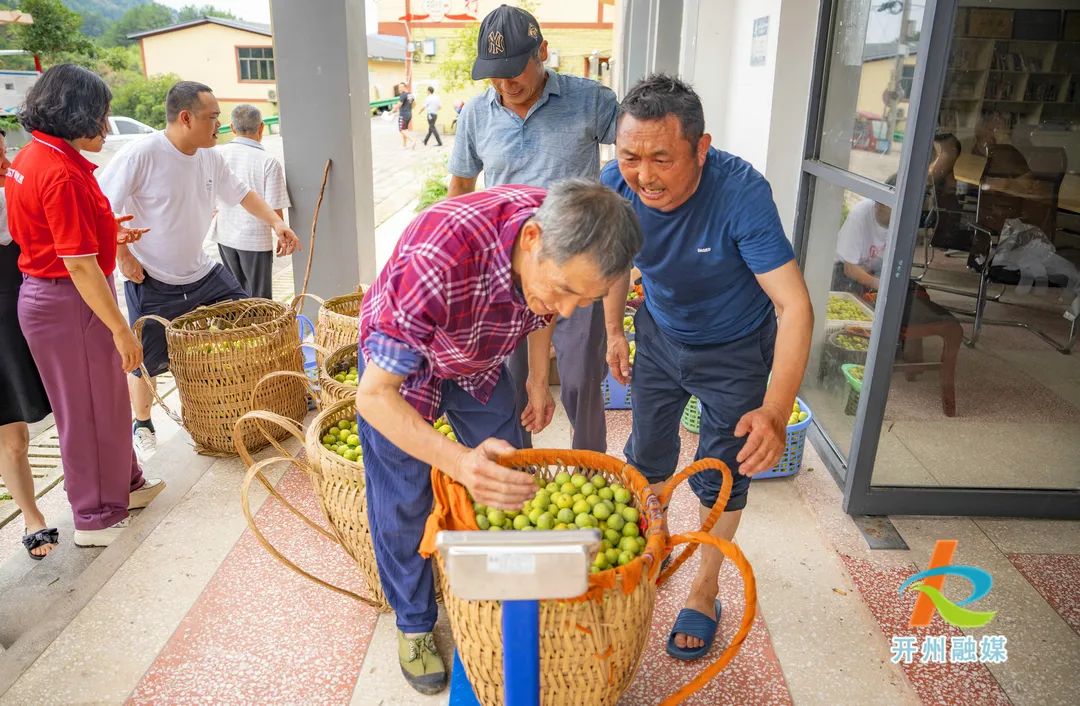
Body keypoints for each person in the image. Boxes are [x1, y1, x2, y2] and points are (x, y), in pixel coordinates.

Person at [354, 180, 642, 694]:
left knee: (511, 472)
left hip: (478, 356)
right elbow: (374, 397)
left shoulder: (558, 232)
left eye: (586, 297)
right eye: (565, 291)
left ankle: (507, 594)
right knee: (402, 499)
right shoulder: (437, 258)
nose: (569, 309)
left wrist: (535, 377)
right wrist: (458, 461)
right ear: (530, 239)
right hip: (405, 364)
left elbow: (541, 307)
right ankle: (415, 624)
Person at [600, 75, 813, 660]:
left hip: (736, 348)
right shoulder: (616, 186)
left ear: (701, 148)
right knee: (645, 457)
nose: (644, 176)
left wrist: (774, 409)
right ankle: (654, 540)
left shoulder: (740, 193)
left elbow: (794, 305)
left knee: (719, 471)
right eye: (630, 157)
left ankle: (704, 585)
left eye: (662, 158)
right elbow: (617, 259)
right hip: (662, 334)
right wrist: (615, 329)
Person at [448, 4, 619, 453]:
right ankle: (517, 468)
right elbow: (461, 186)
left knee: (582, 376)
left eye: (514, 69)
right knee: (511, 380)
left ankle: (590, 466)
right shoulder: (476, 115)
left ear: (542, 51)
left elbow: (637, 149)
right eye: (495, 74)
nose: (507, 84)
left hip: (579, 262)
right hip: (509, 269)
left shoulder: (592, 101)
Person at [98, 81, 301, 460]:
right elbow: (102, 207)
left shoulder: (211, 157)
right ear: (185, 117)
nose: (219, 126)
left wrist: (277, 222)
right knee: (145, 360)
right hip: (153, 277)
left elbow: (242, 194)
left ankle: (258, 396)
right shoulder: (141, 154)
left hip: (203, 272)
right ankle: (142, 423)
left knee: (254, 318)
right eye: (212, 118)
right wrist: (123, 254)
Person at [8, 64, 166, 548]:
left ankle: (124, 486)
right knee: (85, 410)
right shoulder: (60, 171)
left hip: (60, 295)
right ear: (76, 113)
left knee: (105, 400)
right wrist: (121, 329)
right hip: (68, 300)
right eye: (101, 112)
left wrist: (106, 231)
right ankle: (94, 515)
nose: (106, 123)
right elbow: (78, 266)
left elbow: (56, 235)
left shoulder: (36, 156)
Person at [0, 127, 58, 559]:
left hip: (13, 319)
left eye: (4, 150)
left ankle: (31, 515)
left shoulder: (12, 190)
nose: (5, 159)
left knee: (15, 435)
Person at [211, 104, 291, 299]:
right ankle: (260, 330)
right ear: (261, 127)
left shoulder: (217, 155)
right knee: (260, 299)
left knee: (235, 296)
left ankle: (239, 330)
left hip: (225, 236)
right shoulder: (268, 161)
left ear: (232, 128)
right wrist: (280, 234)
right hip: (254, 240)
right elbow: (274, 206)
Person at [835, 174, 897, 295]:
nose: (878, 205)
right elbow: (849, 269)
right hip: (842, 272)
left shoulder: (899, 221)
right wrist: (883, 288)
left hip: (871, 272)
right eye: (878, 201)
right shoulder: (860, 215)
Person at [392, 82, 417, 149]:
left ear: (405, 87)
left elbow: (399, 104)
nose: (399, 89)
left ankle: (412, 140)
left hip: (403, 115)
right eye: (398, 87)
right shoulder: (410, 94)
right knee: (404, 129)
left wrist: (391, 111)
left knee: (401, 130)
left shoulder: (403, 95)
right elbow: (414, 103)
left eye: (401, 87)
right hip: (409, 114)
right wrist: (409, 108)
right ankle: (404, 145)